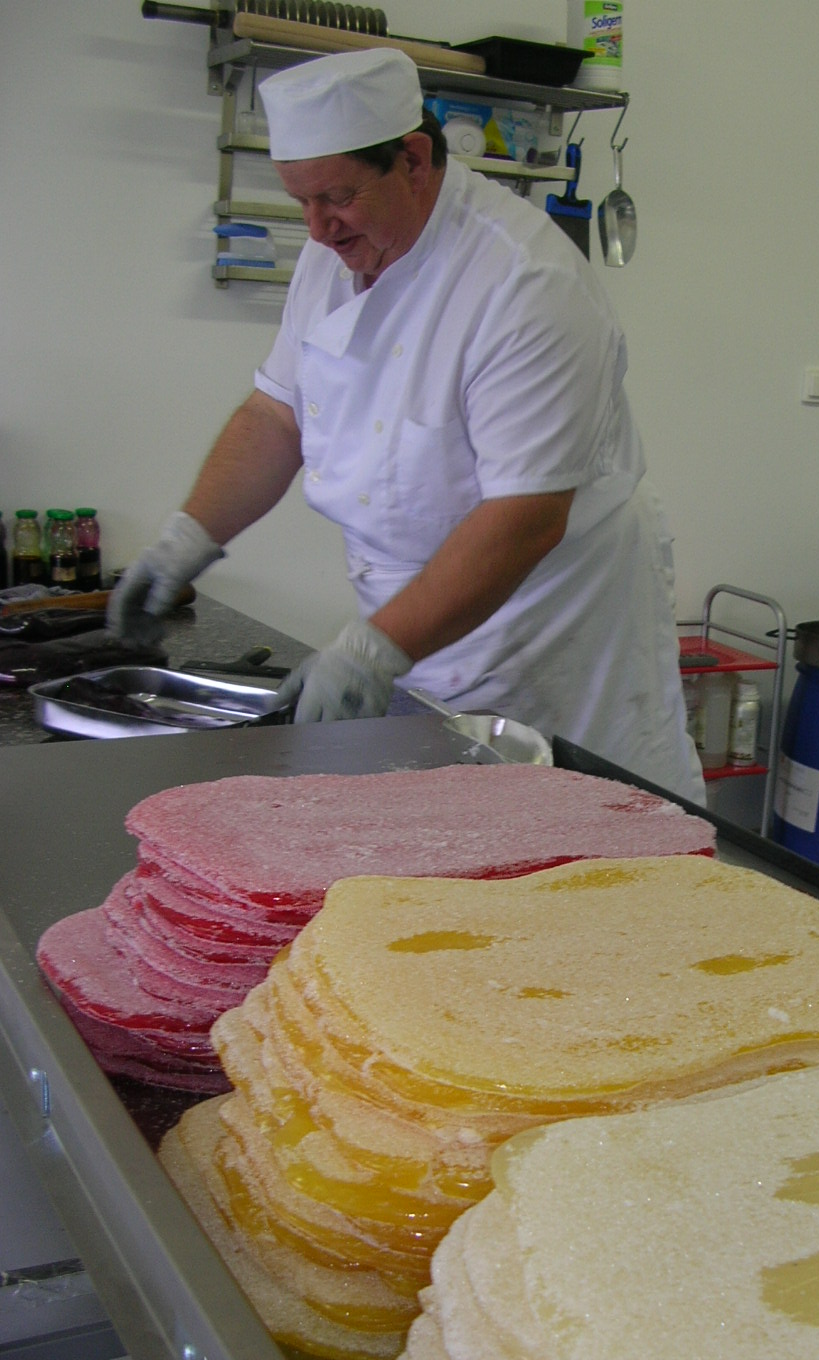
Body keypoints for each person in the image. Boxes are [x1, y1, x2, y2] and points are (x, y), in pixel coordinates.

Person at [107, 48, 705, 804]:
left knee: (578, 832)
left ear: (414, 160)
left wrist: (372, 651)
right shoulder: (337, 251)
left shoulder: (526, 284)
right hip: (417, 623)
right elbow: (275, 415)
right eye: (301, 201)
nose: (317, 228)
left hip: (552, 626)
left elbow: (525, 518)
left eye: (337, 196)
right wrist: (184, 542)